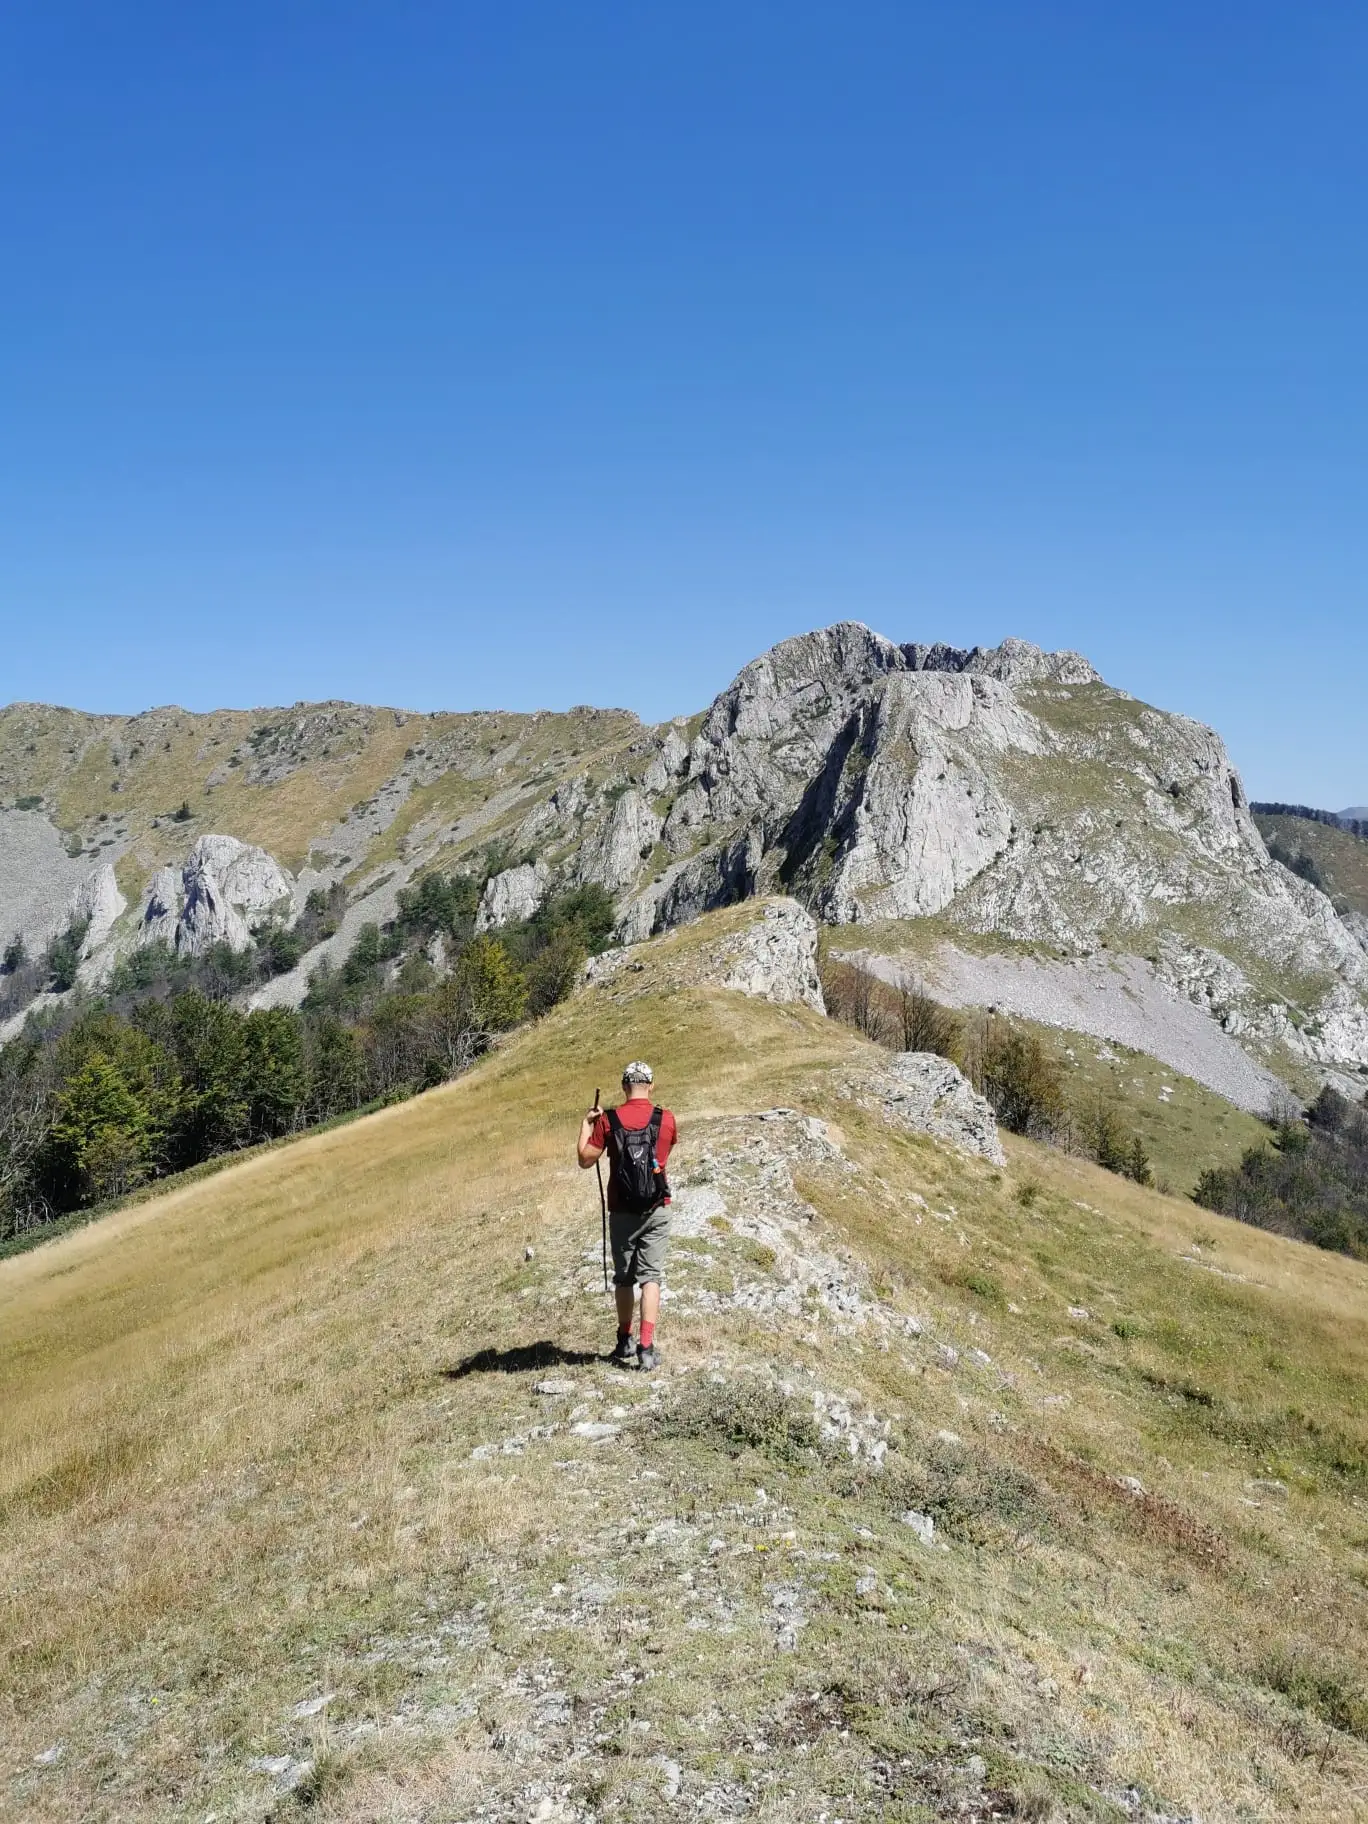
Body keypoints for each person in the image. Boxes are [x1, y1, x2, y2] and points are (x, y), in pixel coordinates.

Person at [577, 1061, 678, 1371]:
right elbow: (664, 1153)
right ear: (651, 1085)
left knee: (624, 1279)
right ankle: (646, 1347)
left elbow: (584, 1159)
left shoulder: (608, 1121)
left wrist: (586, 1123)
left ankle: (624, 1339)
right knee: (651, 1277)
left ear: (624, 1086)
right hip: (656, 1207)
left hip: (621, 1211)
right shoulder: (666, 1119)